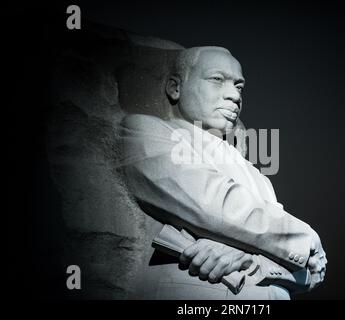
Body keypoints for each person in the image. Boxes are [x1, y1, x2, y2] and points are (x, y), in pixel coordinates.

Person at [119, 46, 327, 299]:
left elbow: (313, 274)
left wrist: (252, 262)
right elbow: (214, 202)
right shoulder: (147, 131)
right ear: (175, 88)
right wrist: (306, 237)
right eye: (217, 80)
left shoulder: (256, 175)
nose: (234, 96)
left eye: (239, 87)